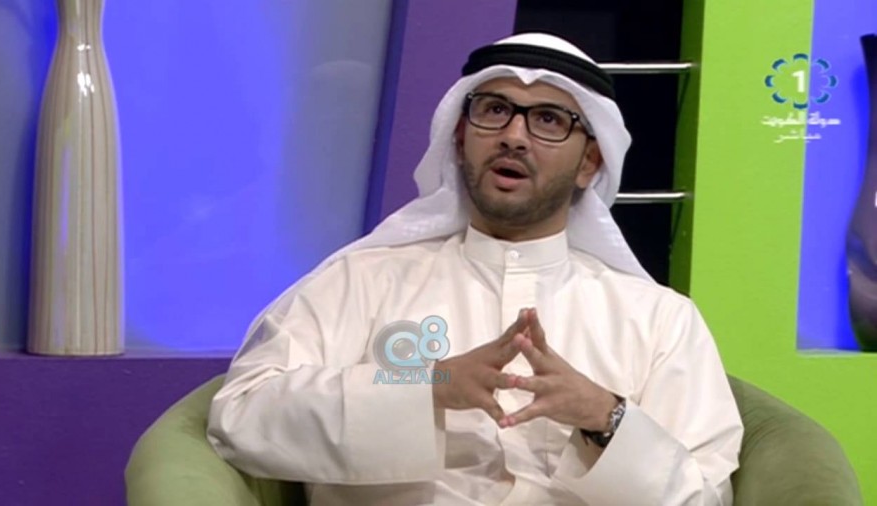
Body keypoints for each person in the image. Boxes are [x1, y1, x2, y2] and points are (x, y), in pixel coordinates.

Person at [207, 32, 743, 505]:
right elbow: (241, 417)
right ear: (460, 138)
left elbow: (703, 495)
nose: (514, 136)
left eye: (549, 120)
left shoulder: (659, 320)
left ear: (589, 162)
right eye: (494, 110)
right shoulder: (361, 281)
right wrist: (428, 388)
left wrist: (604, 416)